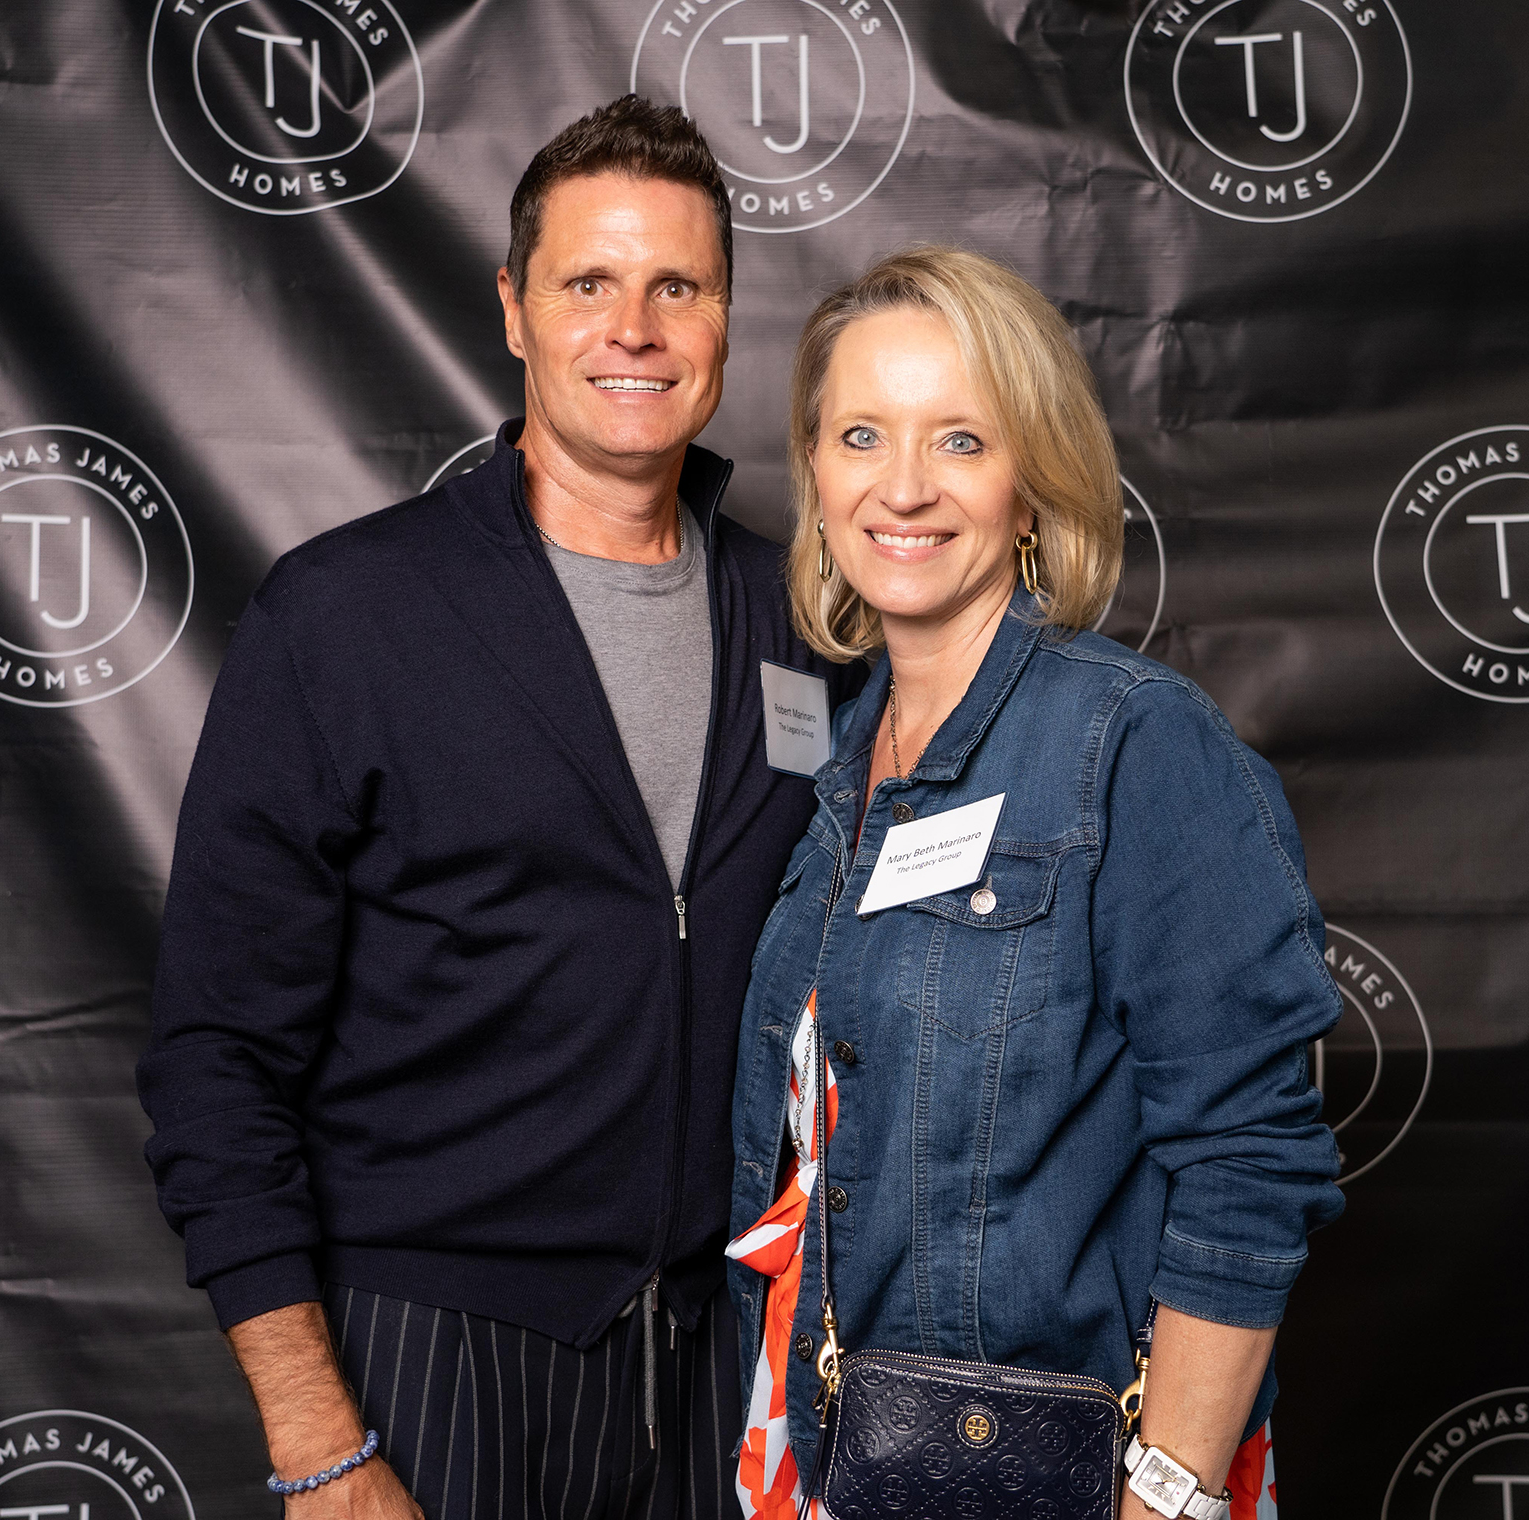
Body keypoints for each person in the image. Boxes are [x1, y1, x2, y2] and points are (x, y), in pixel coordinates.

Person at [138, 96, 861, 1520]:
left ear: (725, 319)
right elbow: (216, 1058)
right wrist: (319, 1442)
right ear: (515, 313)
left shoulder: (806, 622)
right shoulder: (347, 616)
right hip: (430, 1358)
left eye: (679, 287)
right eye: (589, 282)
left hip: (729, 1352)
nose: (634, 327)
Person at [723, 248, 1345, 1520]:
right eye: (860, 435)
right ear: (820, 478)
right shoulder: (847, 770)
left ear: (1029, 486)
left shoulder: (1133, 743)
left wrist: (1163, 1496)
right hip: (838, 1463)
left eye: (959, 438)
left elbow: (1249, 1159)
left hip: (1063, 1483)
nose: (903, 485)